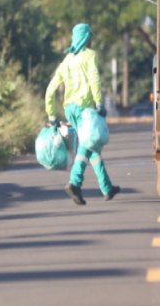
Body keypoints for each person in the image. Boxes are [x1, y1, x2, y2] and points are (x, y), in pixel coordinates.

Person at [45, 23, 120, 206]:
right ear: (86, 38)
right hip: (85, 108)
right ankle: (74, 182)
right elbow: (94, 79)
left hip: (70, 109)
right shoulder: (89, 56)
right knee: (87, 144)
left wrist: (52, 115)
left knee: (91, 146)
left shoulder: (66, 61)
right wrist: (99, 103)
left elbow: (50, 90)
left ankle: (107, 187)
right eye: (90, 37)